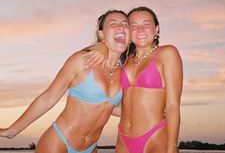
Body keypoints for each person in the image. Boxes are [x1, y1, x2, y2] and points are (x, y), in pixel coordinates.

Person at [0, 9, 130, 153]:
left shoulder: (125, 72)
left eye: (125, 24)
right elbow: (47, 98)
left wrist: (154, 113)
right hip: (59, 143)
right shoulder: (82, 60)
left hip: (91, 147)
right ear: (101, 34)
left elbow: (109, 107)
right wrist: (11, 131)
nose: (121, 27)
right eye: (113, 24)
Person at [116, 6, 183, 153]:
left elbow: (172, 106)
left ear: (157, 29)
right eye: (133, 26)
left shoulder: (167, 53)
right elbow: (122, 105)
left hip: (155, 138)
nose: (140, 30)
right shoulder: (124, 61)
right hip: (123, 140)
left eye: (146, 24)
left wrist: (172, 146)